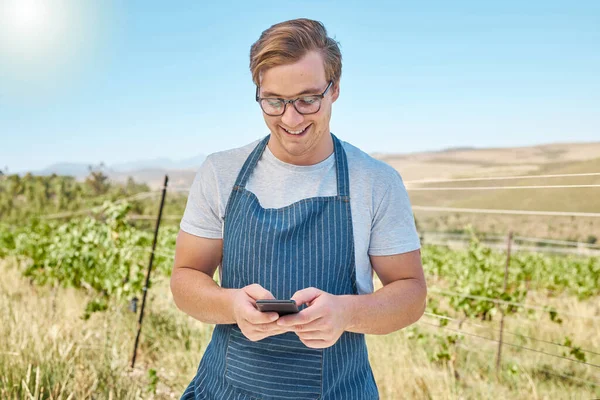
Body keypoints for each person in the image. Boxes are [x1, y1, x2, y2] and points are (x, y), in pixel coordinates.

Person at [171, 18, 427, 400]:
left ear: (335, 88)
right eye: (274, 101)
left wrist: (345, 313)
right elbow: (185, 279)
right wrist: (231, 304)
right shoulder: (220, 173)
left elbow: (411, 295)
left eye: (308, 99)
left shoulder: (375, 181)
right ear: (258, 92)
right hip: (225, 389)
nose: (291, 119)